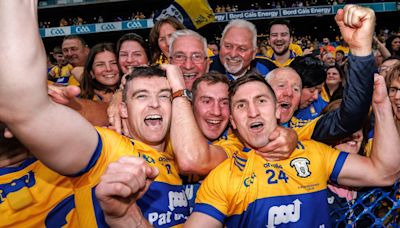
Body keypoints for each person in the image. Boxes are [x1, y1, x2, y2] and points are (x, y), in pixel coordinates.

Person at [0, 2, 190, 227]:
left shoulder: (182, 145)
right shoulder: (109, 146)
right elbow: (24, 106)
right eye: (141, 96)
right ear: (122, 109)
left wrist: (179, 92)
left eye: (164, 96)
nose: (155, 104)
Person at [185, 69, 399, 227]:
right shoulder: (223, 176)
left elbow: (385, 173)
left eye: (261, 101)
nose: (253, 112)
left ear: (278, 110)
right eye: (241, 105)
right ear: (232, 121)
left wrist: (381, 106)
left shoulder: (315, 153)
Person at [209, 19, 276, 81]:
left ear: (253, 53)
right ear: (220, 45)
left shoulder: (267, 68)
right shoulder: (207, 67)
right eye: (228, 46)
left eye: (242, 49)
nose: (233, 54)